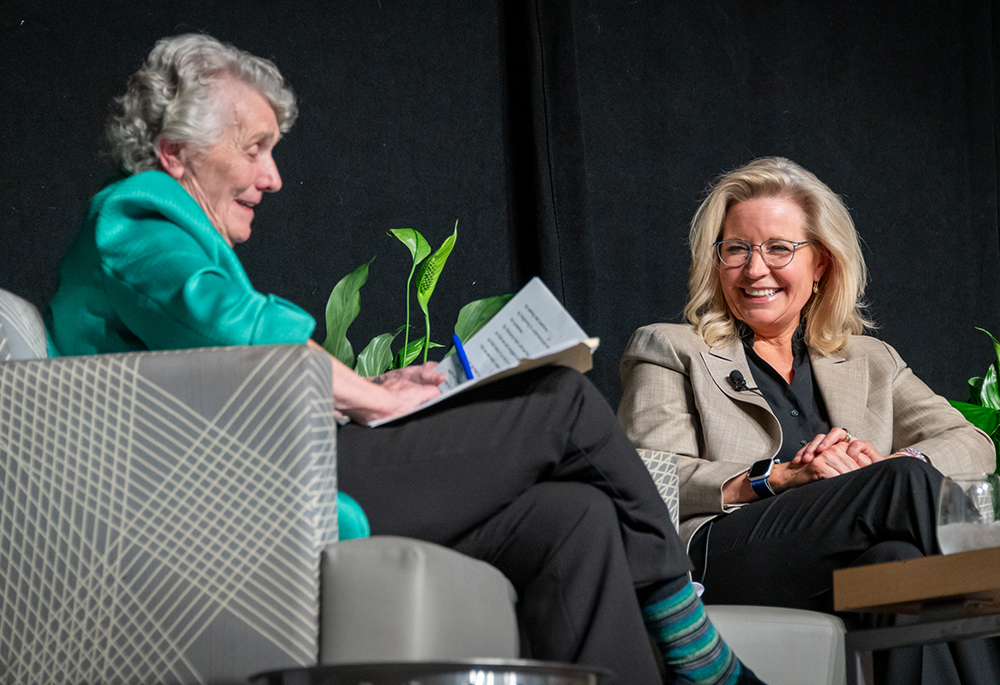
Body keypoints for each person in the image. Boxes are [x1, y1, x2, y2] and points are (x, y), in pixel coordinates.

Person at [45, 33, 765, 685]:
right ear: (175, 153)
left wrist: (367, 387)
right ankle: (689, 632)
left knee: (570, 517)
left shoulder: (163, 230)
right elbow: (244, 332)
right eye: (253, 147)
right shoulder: (137, 215)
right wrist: (376, 400)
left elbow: (219, 368)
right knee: (562, 402)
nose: (273, 177)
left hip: (276, 475)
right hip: (248, 502)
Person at [618, 156, 999, 683]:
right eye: (737, 249)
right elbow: (647, 477)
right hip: (719, 553)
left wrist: (874, 467)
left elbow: (973, 443)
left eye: (778, 248)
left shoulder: (870, 361)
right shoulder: (670, 347)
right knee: (902, 483)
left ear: (820, 263)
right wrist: (778, 476)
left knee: (893, 560)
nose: (755, 269)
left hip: (837, 560)